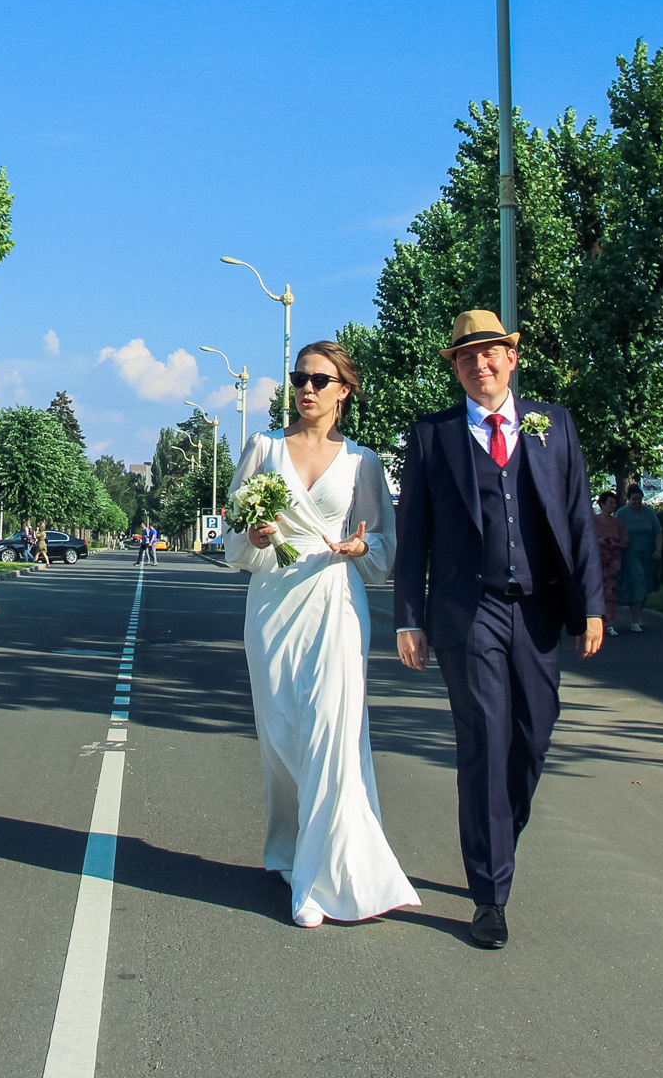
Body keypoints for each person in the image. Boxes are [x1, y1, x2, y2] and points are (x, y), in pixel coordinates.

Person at [393, 310, 607, 951]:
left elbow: (577, 519)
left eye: (490, 354)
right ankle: (489, 894)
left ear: (511, 360)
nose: (479, 364)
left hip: (539, 608)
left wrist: (591, 606)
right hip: (470, 610)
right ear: (455, 368)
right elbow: (416, 537)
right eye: (466, 357)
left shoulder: (554, 424)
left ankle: (498, 836)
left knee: (532, 739)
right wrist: (410, 616)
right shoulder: (432, 436)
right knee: (485, 743)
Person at [228, 340, 419, 929]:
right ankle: (287, 849)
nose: (306, 388)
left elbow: (384, 547)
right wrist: (256, 539)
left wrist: (362, 547)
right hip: (273, 606)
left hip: (336, 600)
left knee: (333, 736)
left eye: (320, 379)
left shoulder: (363, 462)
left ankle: (318, 882)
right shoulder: (262, 448)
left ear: (344, 392)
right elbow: (234, 544)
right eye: (299, 377)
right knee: (282, 734)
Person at [614, 484, 662, 632]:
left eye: (639, 499)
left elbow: (658, 532)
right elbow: (616, 532)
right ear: (629, 499)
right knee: (637, 582)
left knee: (644, 585)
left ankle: (638, 616)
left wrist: (658, 550)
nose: (637, 502)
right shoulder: (621, 513)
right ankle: (635, 621)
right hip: (629, 556)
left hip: (647, 556)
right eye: (634, 499)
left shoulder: (649, 513)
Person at [592, 491, 628, 634]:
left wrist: (614, 544)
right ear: (602, 504)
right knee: (595, 591)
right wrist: (598, 541)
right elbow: (584, 541)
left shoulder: (618, 524)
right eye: (610, 503)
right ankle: (595, 620)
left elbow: (625, 543)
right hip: (596, 562)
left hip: (612, 563)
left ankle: (610, 623)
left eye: (614, 503)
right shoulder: (592, 521)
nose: (613, 506)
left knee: (611, 592)